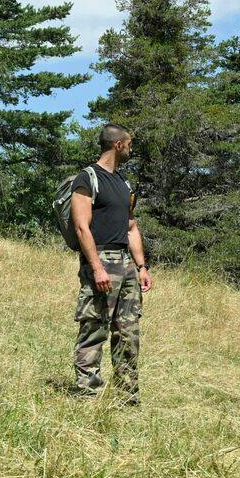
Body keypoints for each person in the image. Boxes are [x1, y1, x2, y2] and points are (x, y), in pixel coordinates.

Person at [68, 124, 151, 405]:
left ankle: (127, 396)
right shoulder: (87, 178)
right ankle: (88, 393)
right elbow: (82, 227)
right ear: (118, 145)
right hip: (102, 260)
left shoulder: (124, 183)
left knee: (128, 331)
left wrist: (141, 267)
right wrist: (96, 268)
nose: (131, 148)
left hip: (126, 264)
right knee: (95, 328)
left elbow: (131, 226)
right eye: (129, 143)